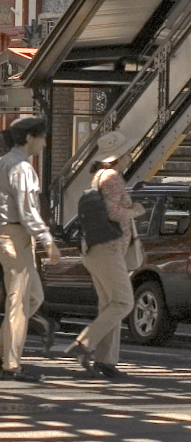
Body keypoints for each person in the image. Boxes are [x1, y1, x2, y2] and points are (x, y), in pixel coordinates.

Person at [64, 131, 145, 380]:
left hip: (96, 249)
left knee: (109, 305)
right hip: (108, 249)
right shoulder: (112, 177)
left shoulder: (98, 177)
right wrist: (135, 210)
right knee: (123, 302)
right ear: (118, 156)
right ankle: (84, 344)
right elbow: (113, 211)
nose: (130, 156)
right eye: (127, 152)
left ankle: (106, 361)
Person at [0, 116, 61, 383]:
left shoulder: (2, 163)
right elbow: (28, 211)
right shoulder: (23, 168)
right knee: (19, 300)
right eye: (42, 137)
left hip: (2, 232)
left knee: (32, 296)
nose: (44, 143)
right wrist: (47, 240)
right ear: (30, 138)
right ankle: (11, 364)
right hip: (16, 234)